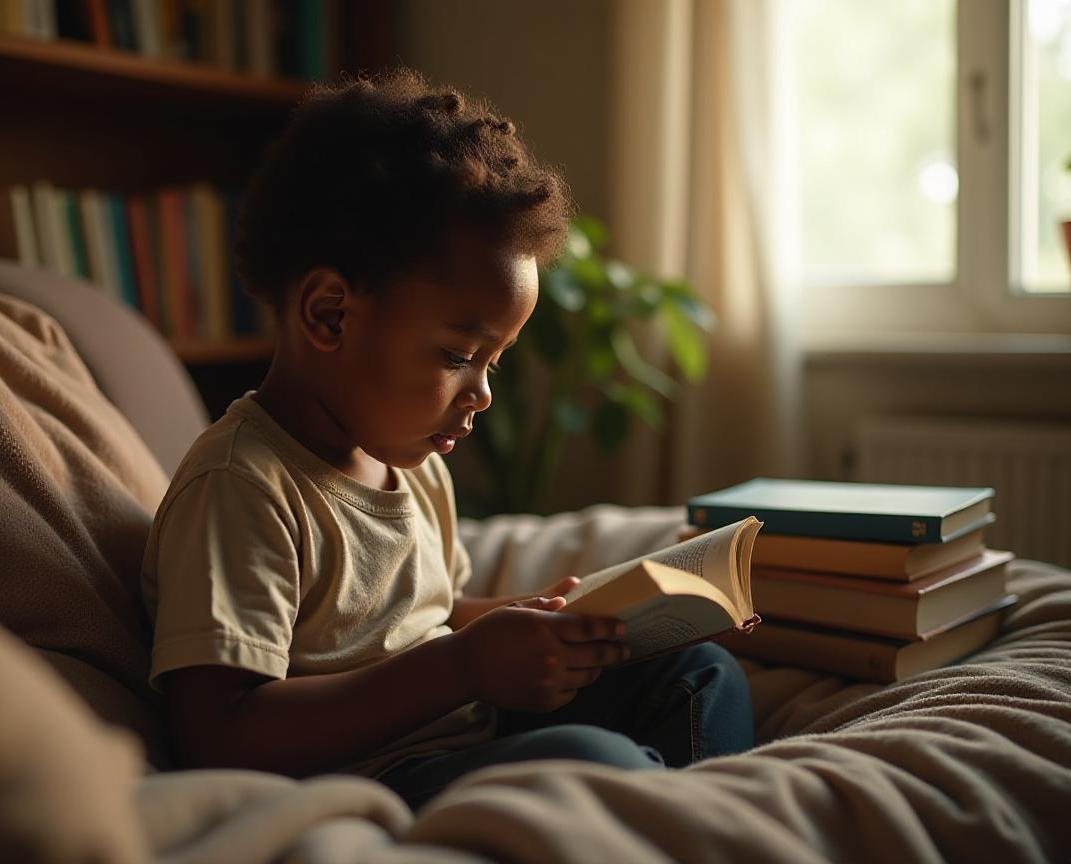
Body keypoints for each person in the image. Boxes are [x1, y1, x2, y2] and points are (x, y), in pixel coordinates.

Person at [141, 69, 753, 810]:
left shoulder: (411, 456)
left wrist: (537, 624)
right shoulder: (242, 486)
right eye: (459, 357)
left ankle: (703, 823)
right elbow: (220, 731)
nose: (483, 393)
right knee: (598, 760)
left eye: (494, 362)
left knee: (698, 672)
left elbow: (431, 611)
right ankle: (660, 816)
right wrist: (462, 669)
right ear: (330, 314)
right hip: (371, 779)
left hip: (470, 728)